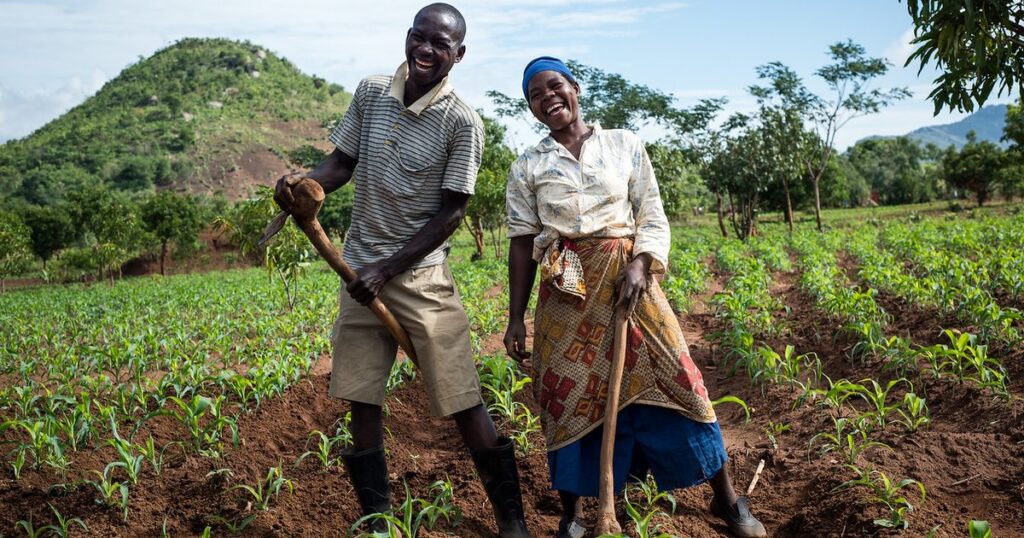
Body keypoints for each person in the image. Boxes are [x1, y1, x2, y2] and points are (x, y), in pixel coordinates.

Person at [273, 5, 531, 537]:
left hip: (420, 279)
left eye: (440, 44)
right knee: (361, 400)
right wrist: (304, 183)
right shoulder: (371, 92)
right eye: (420, 37)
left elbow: (452, 213)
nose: (426, 50)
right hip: (358, 271)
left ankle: (512, 522)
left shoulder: (462, 122)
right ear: (408, 37)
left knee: (462, 400)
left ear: (458, 54)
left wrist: (387, 269)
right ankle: (378, 521)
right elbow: (341, 164)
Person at [502, 57, 767, 538]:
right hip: (567, 294)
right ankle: (574, 516)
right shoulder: (528, 165)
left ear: (575, 87)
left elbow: (652, 213)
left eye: (555, 86)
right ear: (531, 107)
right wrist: (516, 318)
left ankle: (727, 500)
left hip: (631, 283)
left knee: (681, 379)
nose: (548, 98)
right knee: (566, 400)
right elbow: (521, 243)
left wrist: (641, 264)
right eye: (536, 95)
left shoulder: (624, 144)